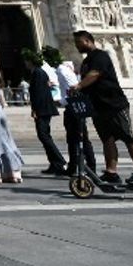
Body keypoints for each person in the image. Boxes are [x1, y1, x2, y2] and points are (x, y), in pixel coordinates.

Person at [73, 30, 133, 185]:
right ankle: (111, 172)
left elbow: (94, 74)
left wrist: (79, 85)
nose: (77, 46)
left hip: (114, 104)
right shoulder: (86, 61)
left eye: (79, 42)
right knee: (107, 139)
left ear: (88, 41)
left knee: (128, 138)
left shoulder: (100, 56)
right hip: (98, 106)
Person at [46, 46, 96, 177]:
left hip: (73, 107)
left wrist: (61, 101)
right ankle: (74, 166)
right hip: (73, 106)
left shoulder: (62, 71)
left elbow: (72, 88)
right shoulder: (61, 70)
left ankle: (88, 166)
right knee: (74, 138)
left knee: (80, 138)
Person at [22, 48, 67, 176]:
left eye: (26, 61)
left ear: (31, 61)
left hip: (43, 109)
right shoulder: (39, 72)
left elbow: (39, 94)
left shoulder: (37, 73)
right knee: (44, 135)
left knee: (44, 136)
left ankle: (59, 161)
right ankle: (54, 163)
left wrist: (35, 110)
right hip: (45, 108)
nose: (25, 63)